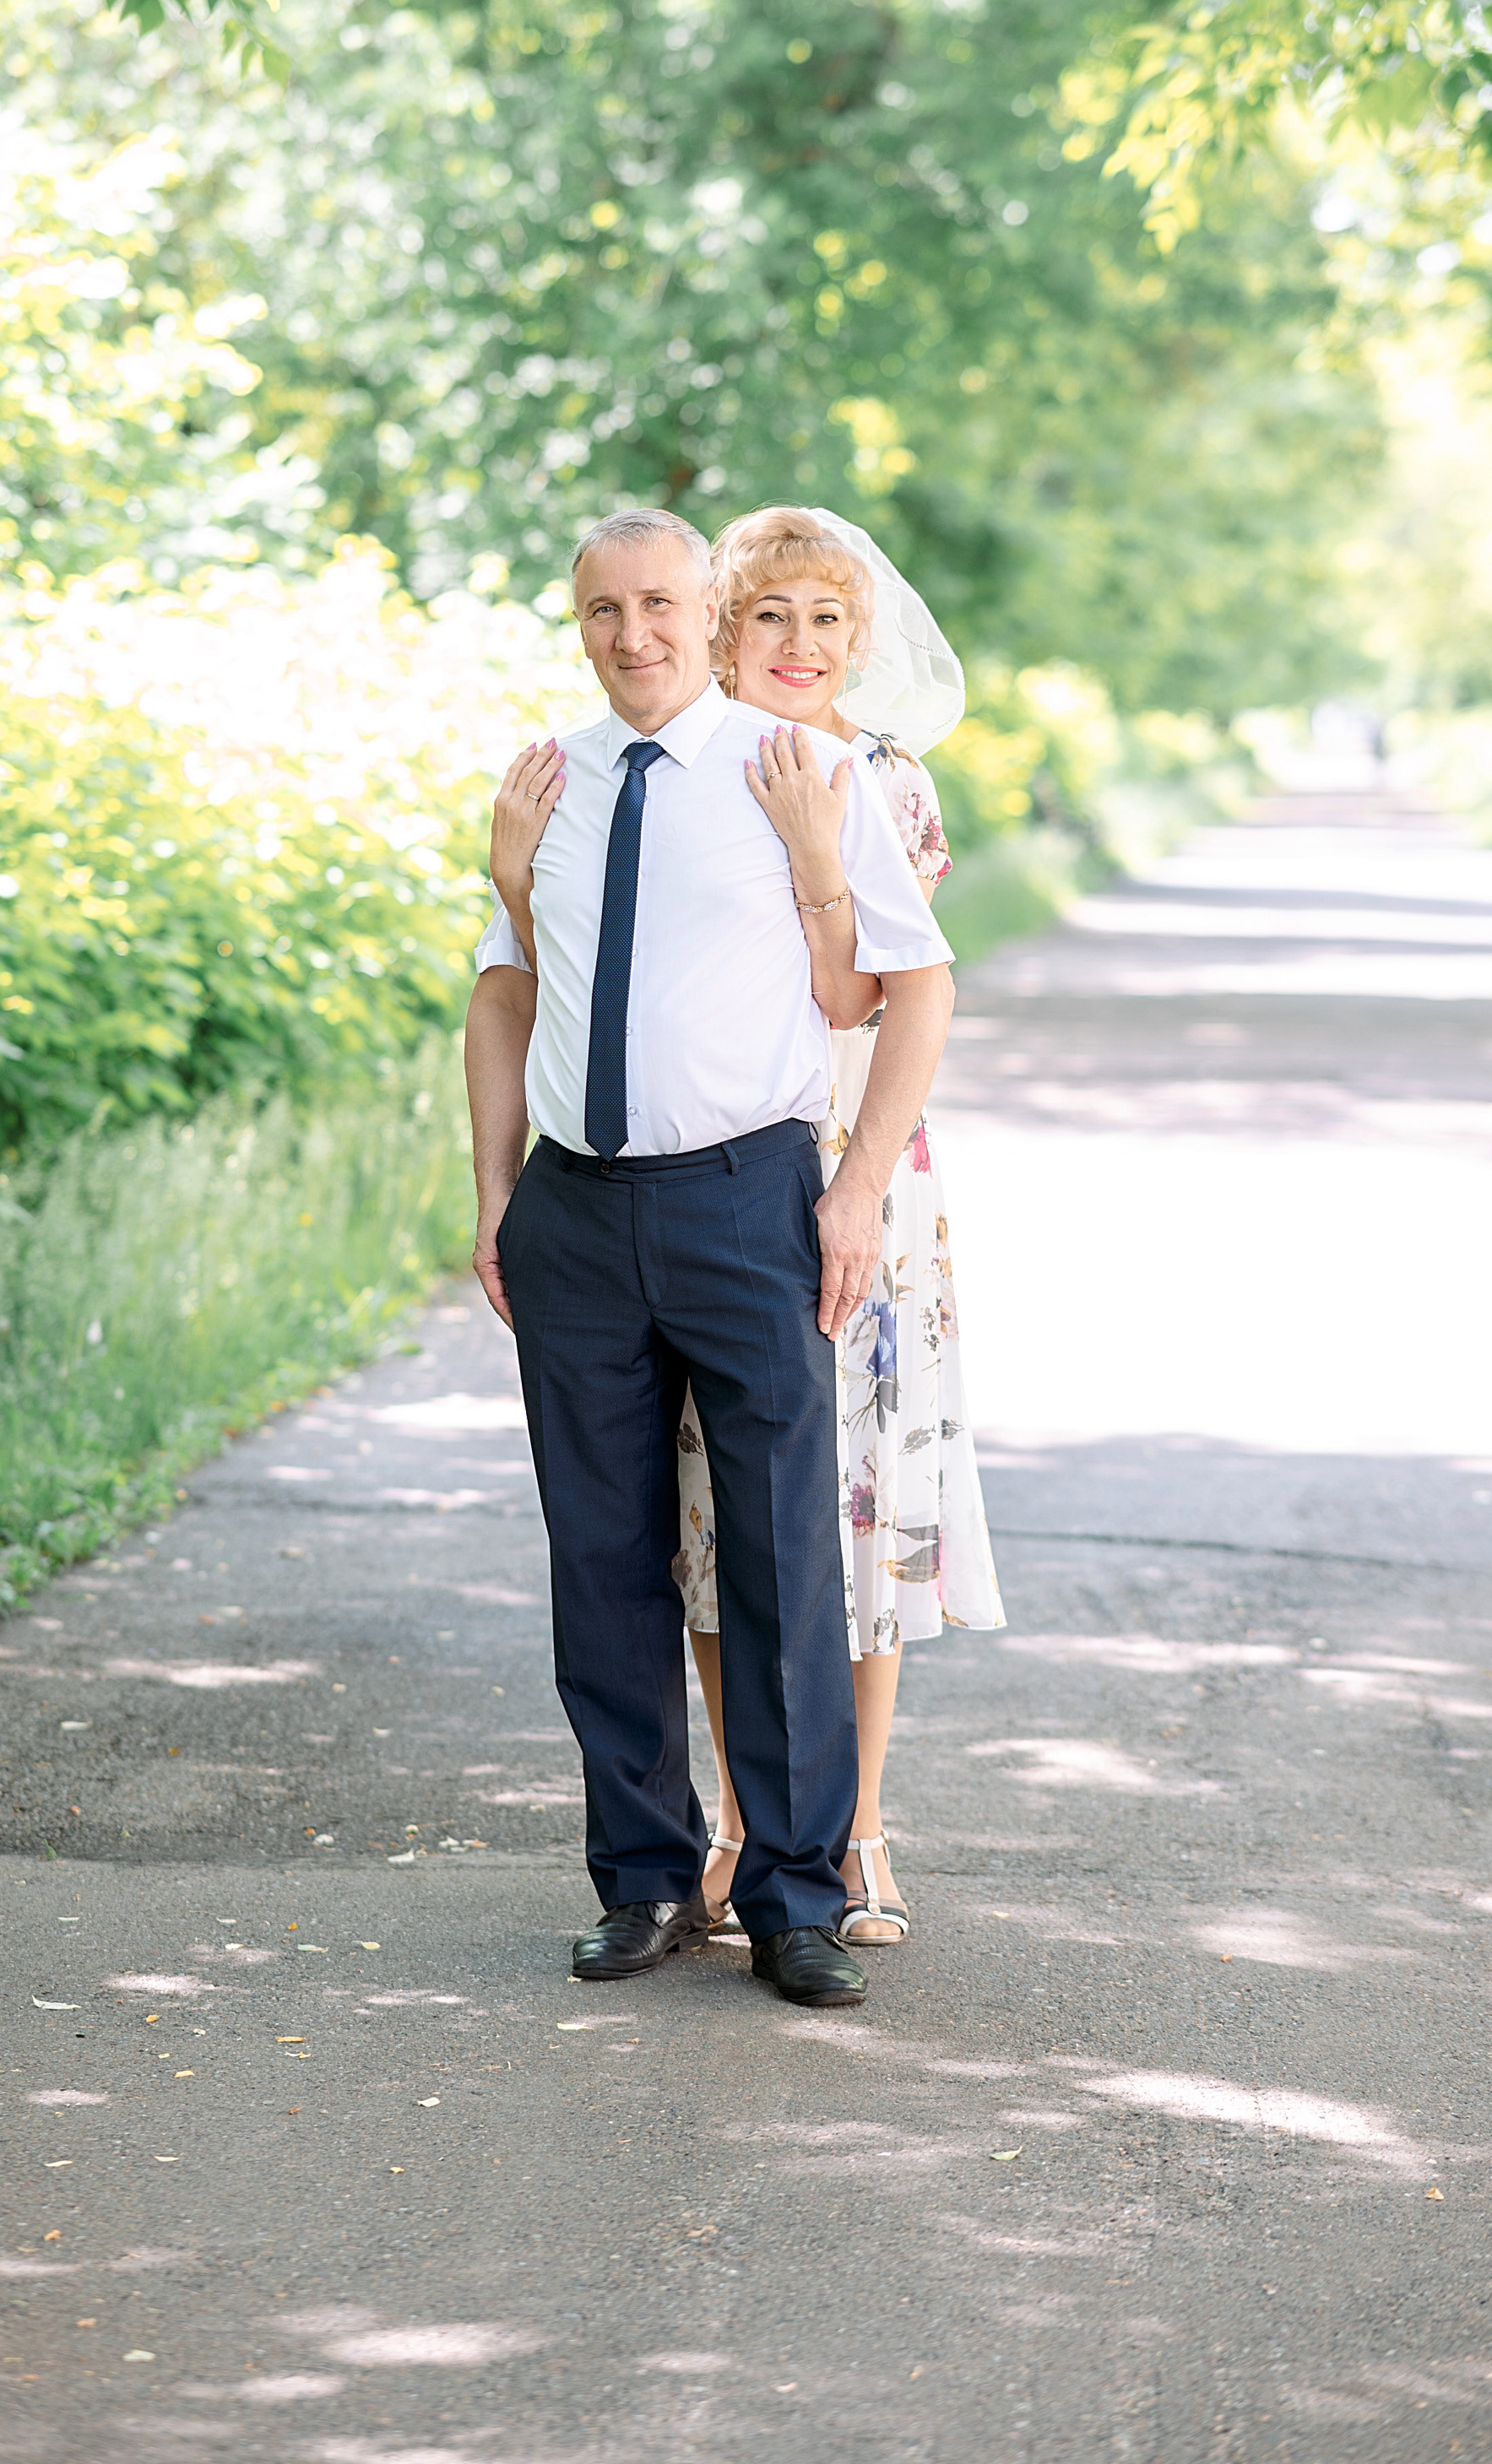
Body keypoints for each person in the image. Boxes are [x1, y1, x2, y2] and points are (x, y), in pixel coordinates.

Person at [464, 506, 954, 2010]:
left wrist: (853, 1193)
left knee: (782, 1552)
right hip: (574, 1214)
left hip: (747, 1204)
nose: (635, 635)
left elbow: (914, 989)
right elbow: (504, 993)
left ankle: (797, 1896)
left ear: (704, 610)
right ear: (579, 623)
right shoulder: (546, 781)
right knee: (601, 1559)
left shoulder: (796, 770)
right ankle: (643, 1882)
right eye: (602, 609)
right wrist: (493, 1195)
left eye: (660, 604)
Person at [673, 508, 1004, 1944]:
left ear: (857, 639)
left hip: (855, 1165)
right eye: (769, 615)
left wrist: (815, 846)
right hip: (700, 1173)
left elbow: (858, 999)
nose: (797, 645)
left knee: (854, 1516)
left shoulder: (884, 781)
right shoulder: (681, 766)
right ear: (720, 631)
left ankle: (857, 1829)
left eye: (825, 619)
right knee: (710, 1512)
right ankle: (743, 1825)